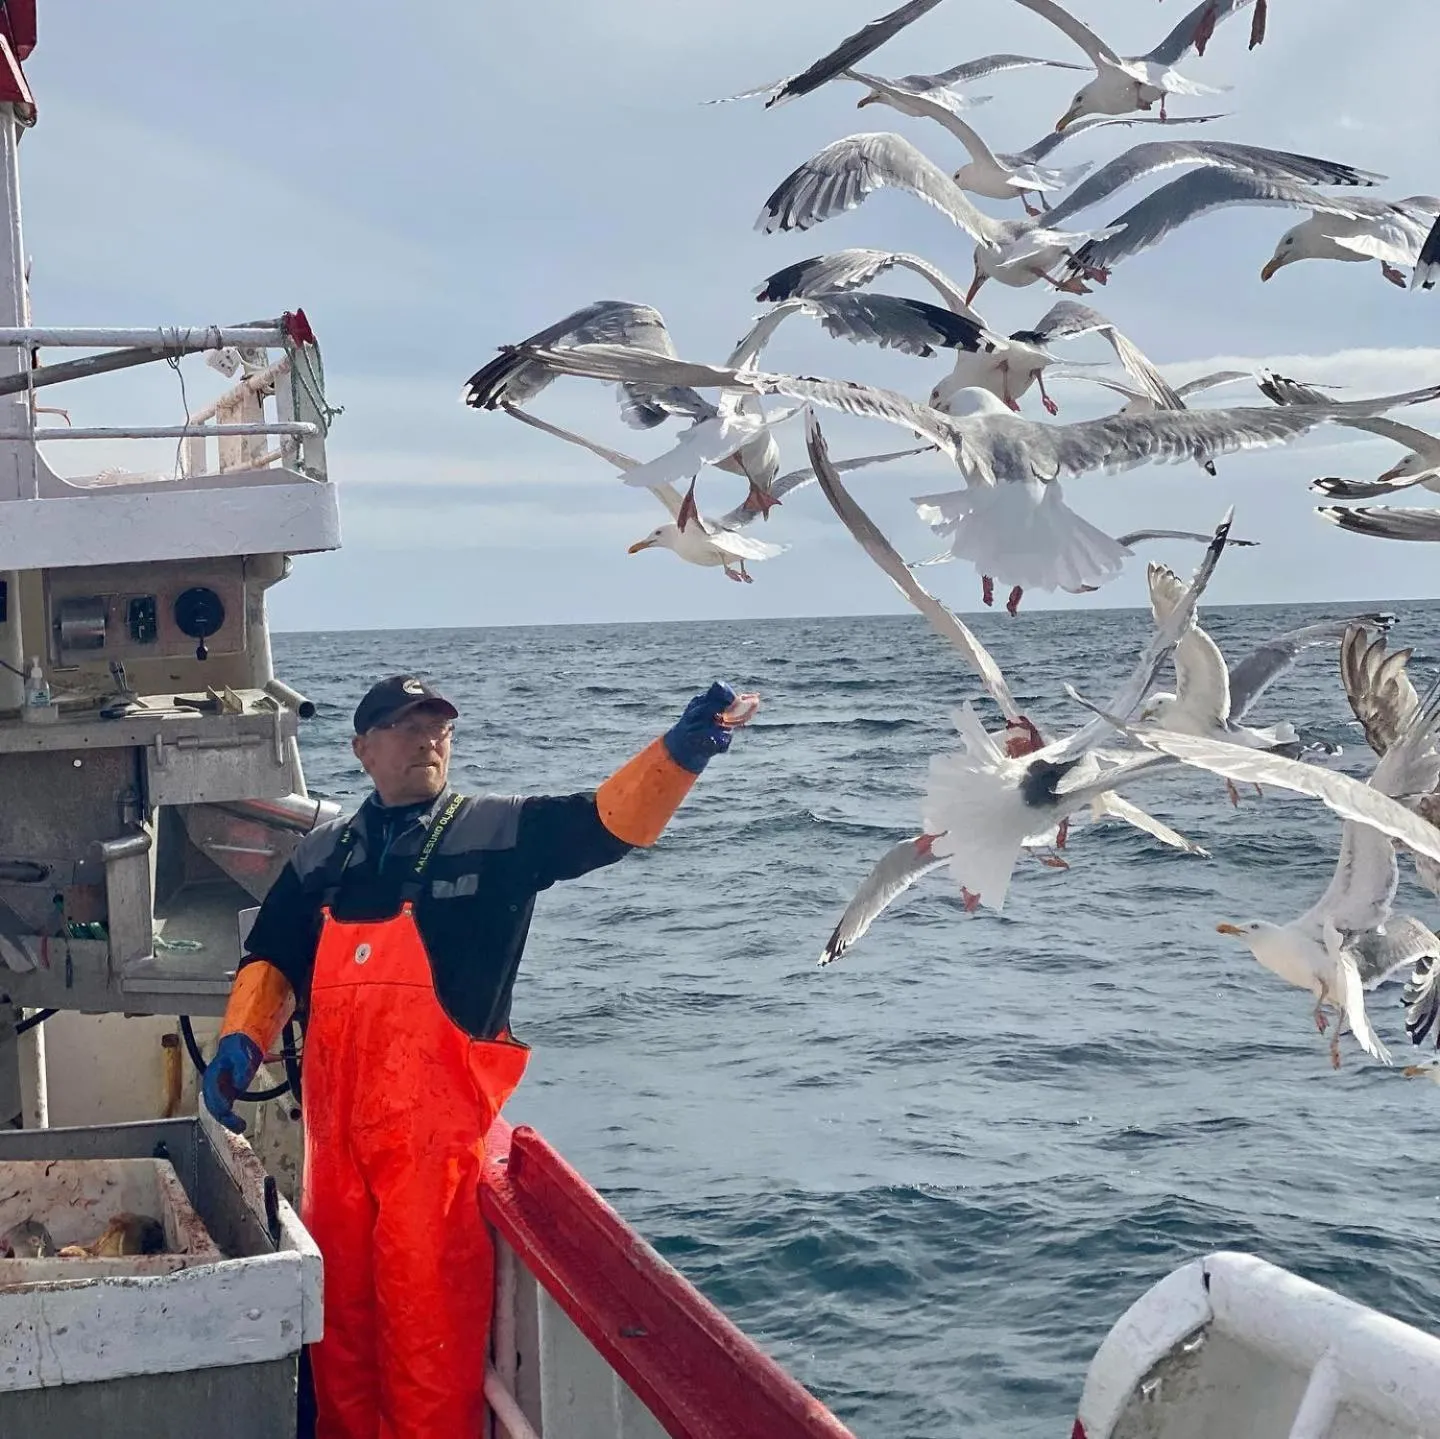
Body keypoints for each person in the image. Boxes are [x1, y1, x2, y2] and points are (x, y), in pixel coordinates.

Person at [201, 673, 741, 1438]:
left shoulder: (495, 830)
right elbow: (274, 955)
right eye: (403, 725)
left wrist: (680, 754)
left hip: (433, 1158)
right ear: (362, 749)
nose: (426, 739)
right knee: (340, 1343)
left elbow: (604, 824)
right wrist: (240, 1041)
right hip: (336, 1152)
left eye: (438, 727)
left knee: (428, 1353)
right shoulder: (322, 853)